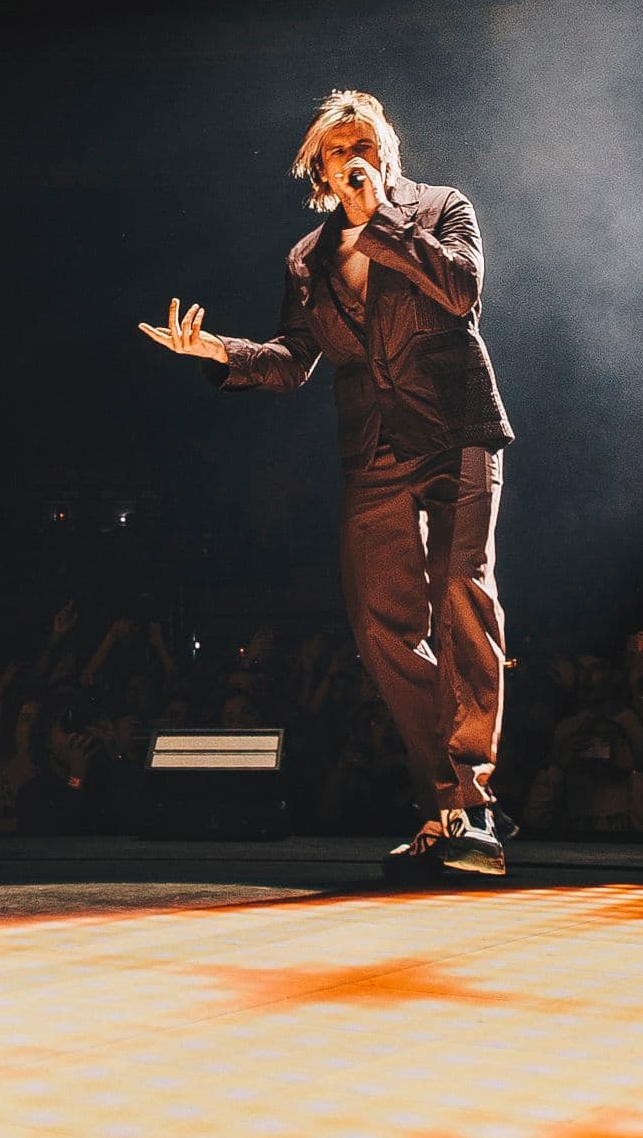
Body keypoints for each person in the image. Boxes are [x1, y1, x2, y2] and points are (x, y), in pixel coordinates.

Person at [139, 89, 516, 877]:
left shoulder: (442, 207)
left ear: (388, 151)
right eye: (340, 146)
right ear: (318, 165)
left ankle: (471, 803)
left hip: (455, 429)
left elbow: (462, 291)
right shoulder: (307, 260)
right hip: (374, 451)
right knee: (381, 632)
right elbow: (293, 359)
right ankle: (448, 806)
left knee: (460, 592)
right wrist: (222, 353)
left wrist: (380, 221)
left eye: (368, 142)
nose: (356, 155)